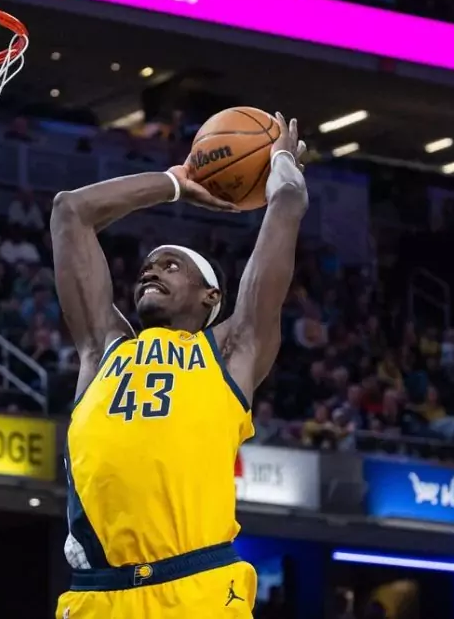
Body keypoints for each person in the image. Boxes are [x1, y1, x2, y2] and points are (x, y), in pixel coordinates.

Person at [51, 114, 308, 619]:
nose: (151, 269)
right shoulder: (103, 350)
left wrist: (282, 176)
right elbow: (71, 212)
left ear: (210, 296)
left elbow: (285, 214)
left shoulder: (231, 350)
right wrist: (173, 184)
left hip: (194, 587)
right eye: (148, 265)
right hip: (96, 596)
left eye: (172, 265)